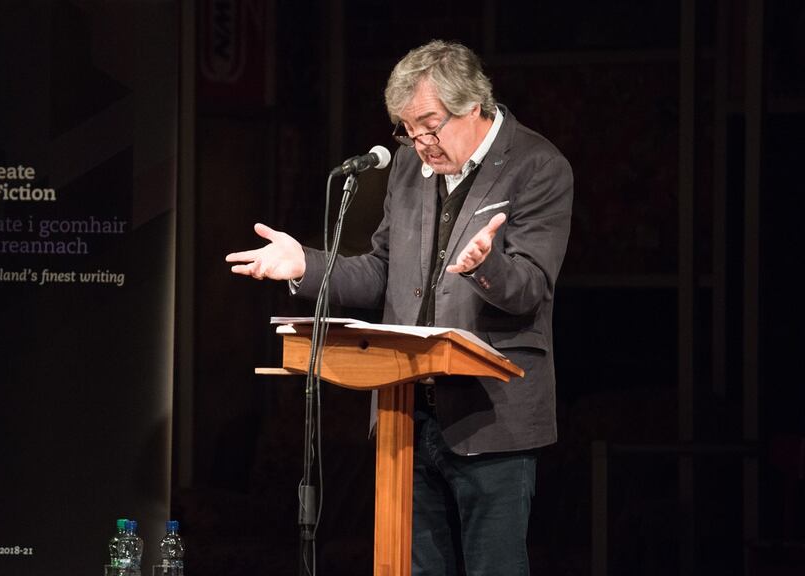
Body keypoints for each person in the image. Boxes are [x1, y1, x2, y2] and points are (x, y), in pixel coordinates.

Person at [226, 39, 572, 576]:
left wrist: (486, 264)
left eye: (429, 125)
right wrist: (305, 266)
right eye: (406, 129)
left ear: (473, 105)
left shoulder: (537, 165)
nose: (419, 142)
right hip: (405, 414)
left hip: (492, 416)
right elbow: (381, 274)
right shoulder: (409, 169)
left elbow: (528, 287)